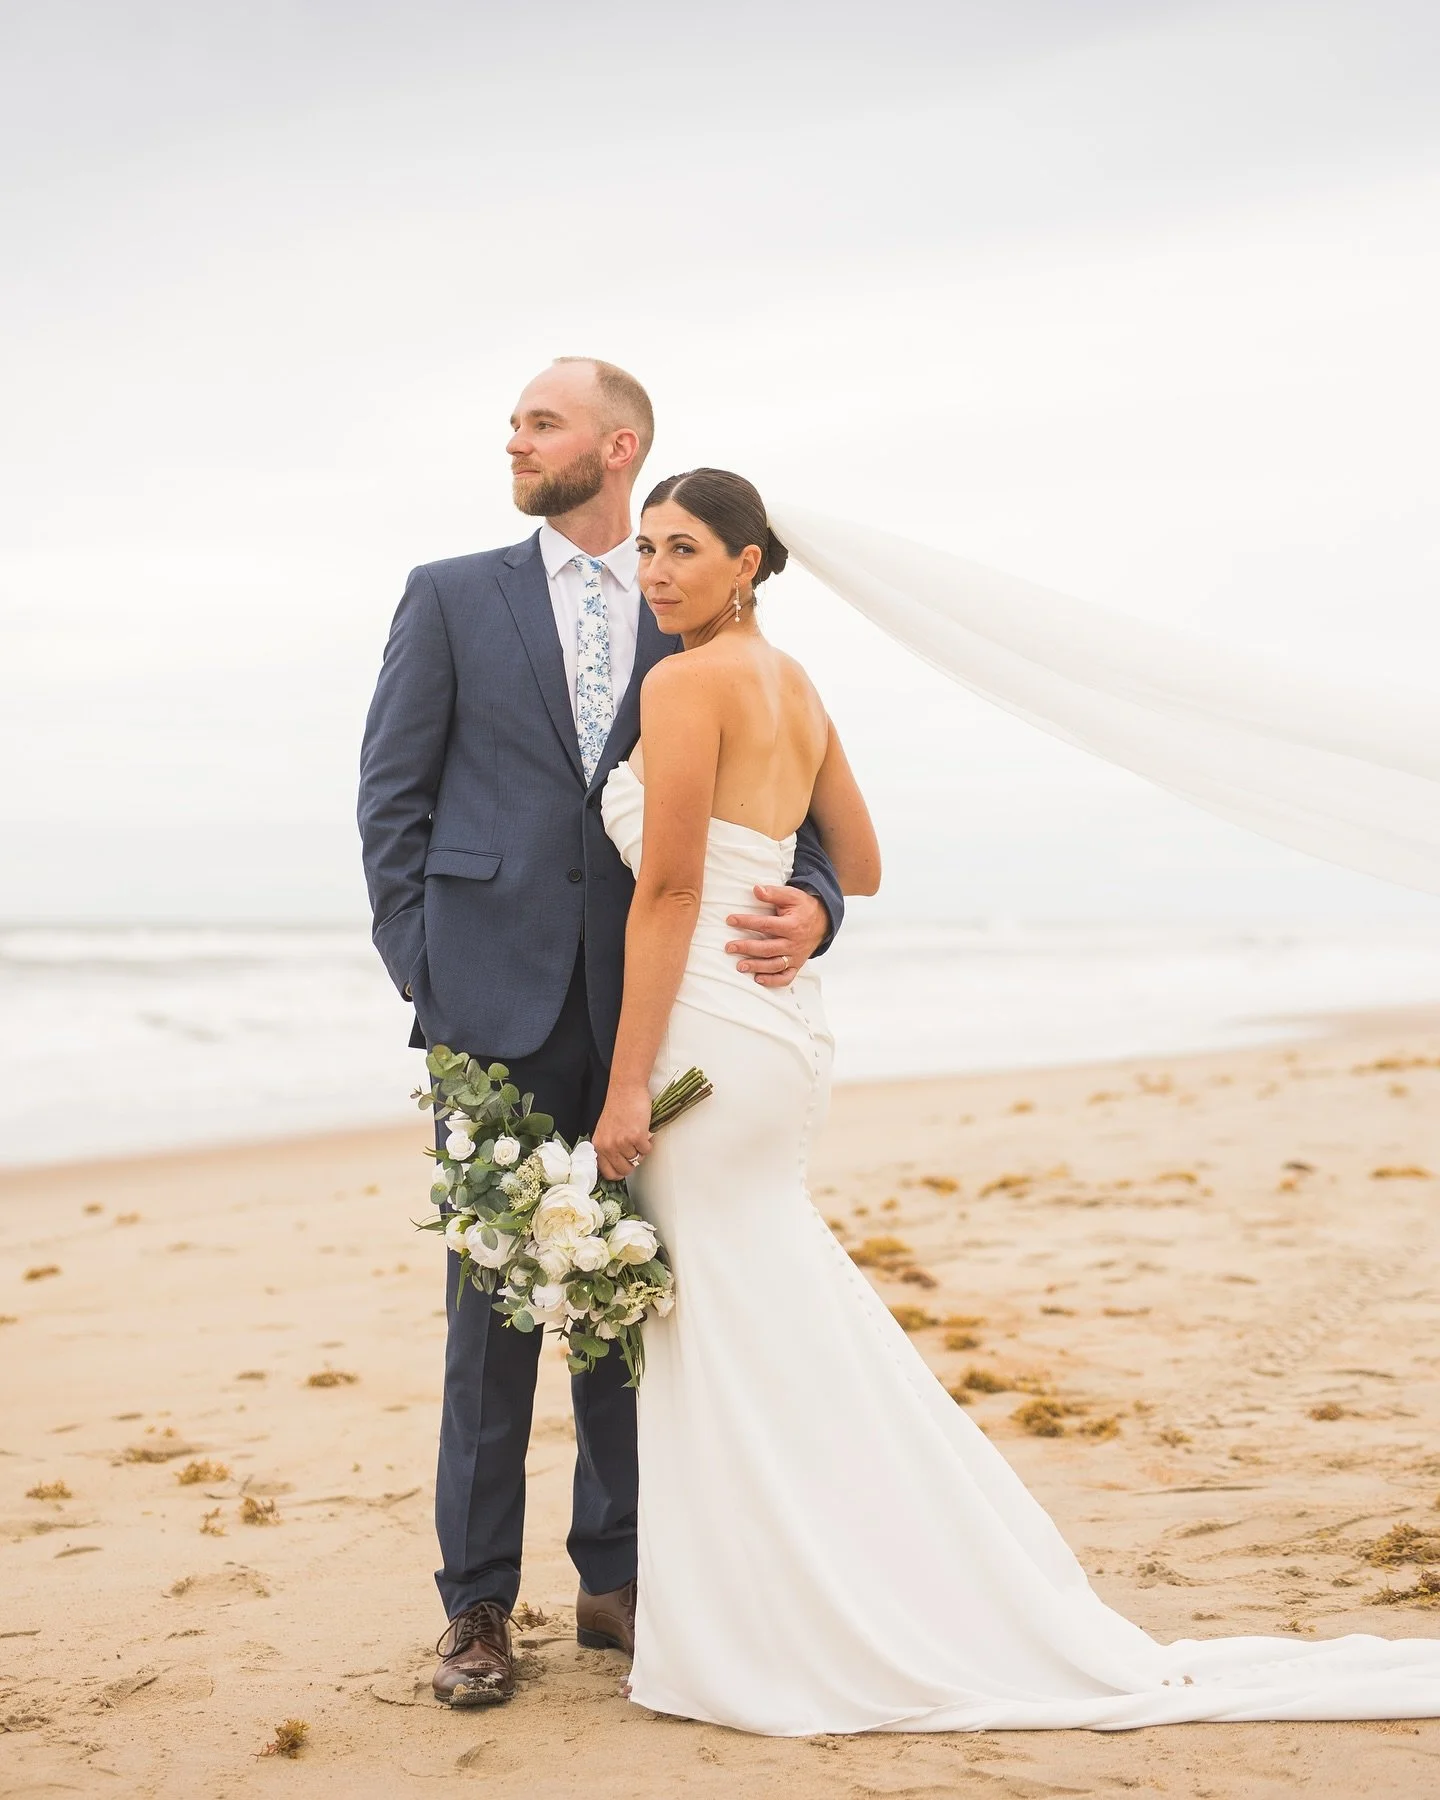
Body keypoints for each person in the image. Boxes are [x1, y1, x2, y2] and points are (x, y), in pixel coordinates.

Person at [591, 466, 1440, 1735]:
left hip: (706, 1031)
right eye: (648, 549)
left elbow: (663, 894)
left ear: (750, 564)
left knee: (725, 1321)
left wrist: (622, 1085)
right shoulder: (794, 682)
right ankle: (825, 1583)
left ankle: (793, 1610)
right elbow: (862, 865)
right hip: (779, 1028)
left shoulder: (683, 681)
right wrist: (802, 900)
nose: (657, 572)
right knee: (760, 1309)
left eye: (685, 550)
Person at [357, 363, 844, 1707]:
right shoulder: (451, 595)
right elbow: (391, 800)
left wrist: (812, 906)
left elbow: (792, 813)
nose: (514, 438)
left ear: (617, 445)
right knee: (493, 1315)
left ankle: (616, 1585)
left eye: (541, 421)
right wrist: (434, 977)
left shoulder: (694, 604)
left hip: (657, 1013)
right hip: (490, 1010)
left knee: (630, 1304)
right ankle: (475, 1611)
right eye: (516, 423)